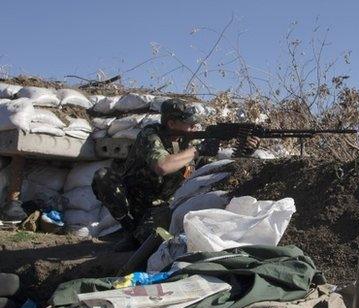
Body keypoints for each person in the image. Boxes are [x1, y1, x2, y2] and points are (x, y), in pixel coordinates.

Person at [92, 98, 259, 251]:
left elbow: (214, 170)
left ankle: (139, 234)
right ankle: (129, 231)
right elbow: (162, 166)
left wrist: (245, 150)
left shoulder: (189, 142)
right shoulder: (150, 135)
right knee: (103, 177)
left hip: (164, 207)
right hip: (136, 201)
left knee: (154, 241)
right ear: (171, 123)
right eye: (189, 124)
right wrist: (198, 150)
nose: (194, 127)